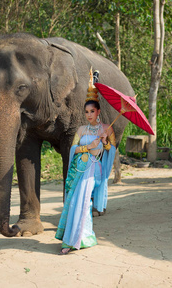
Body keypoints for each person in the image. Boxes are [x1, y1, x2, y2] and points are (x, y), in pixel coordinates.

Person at [55, 69, 116, 255]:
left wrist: (105, 142)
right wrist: (87, 148)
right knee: (74, 201)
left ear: (98, 111)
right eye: (86, 111)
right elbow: (72, 150)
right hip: (78, 169)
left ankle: (74, 241)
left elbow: (110, 151)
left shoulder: (106, 129)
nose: (89, 114)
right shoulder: (81, 130)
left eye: (92, 111)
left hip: (93, 169)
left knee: (82, 201)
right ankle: (83, 236)